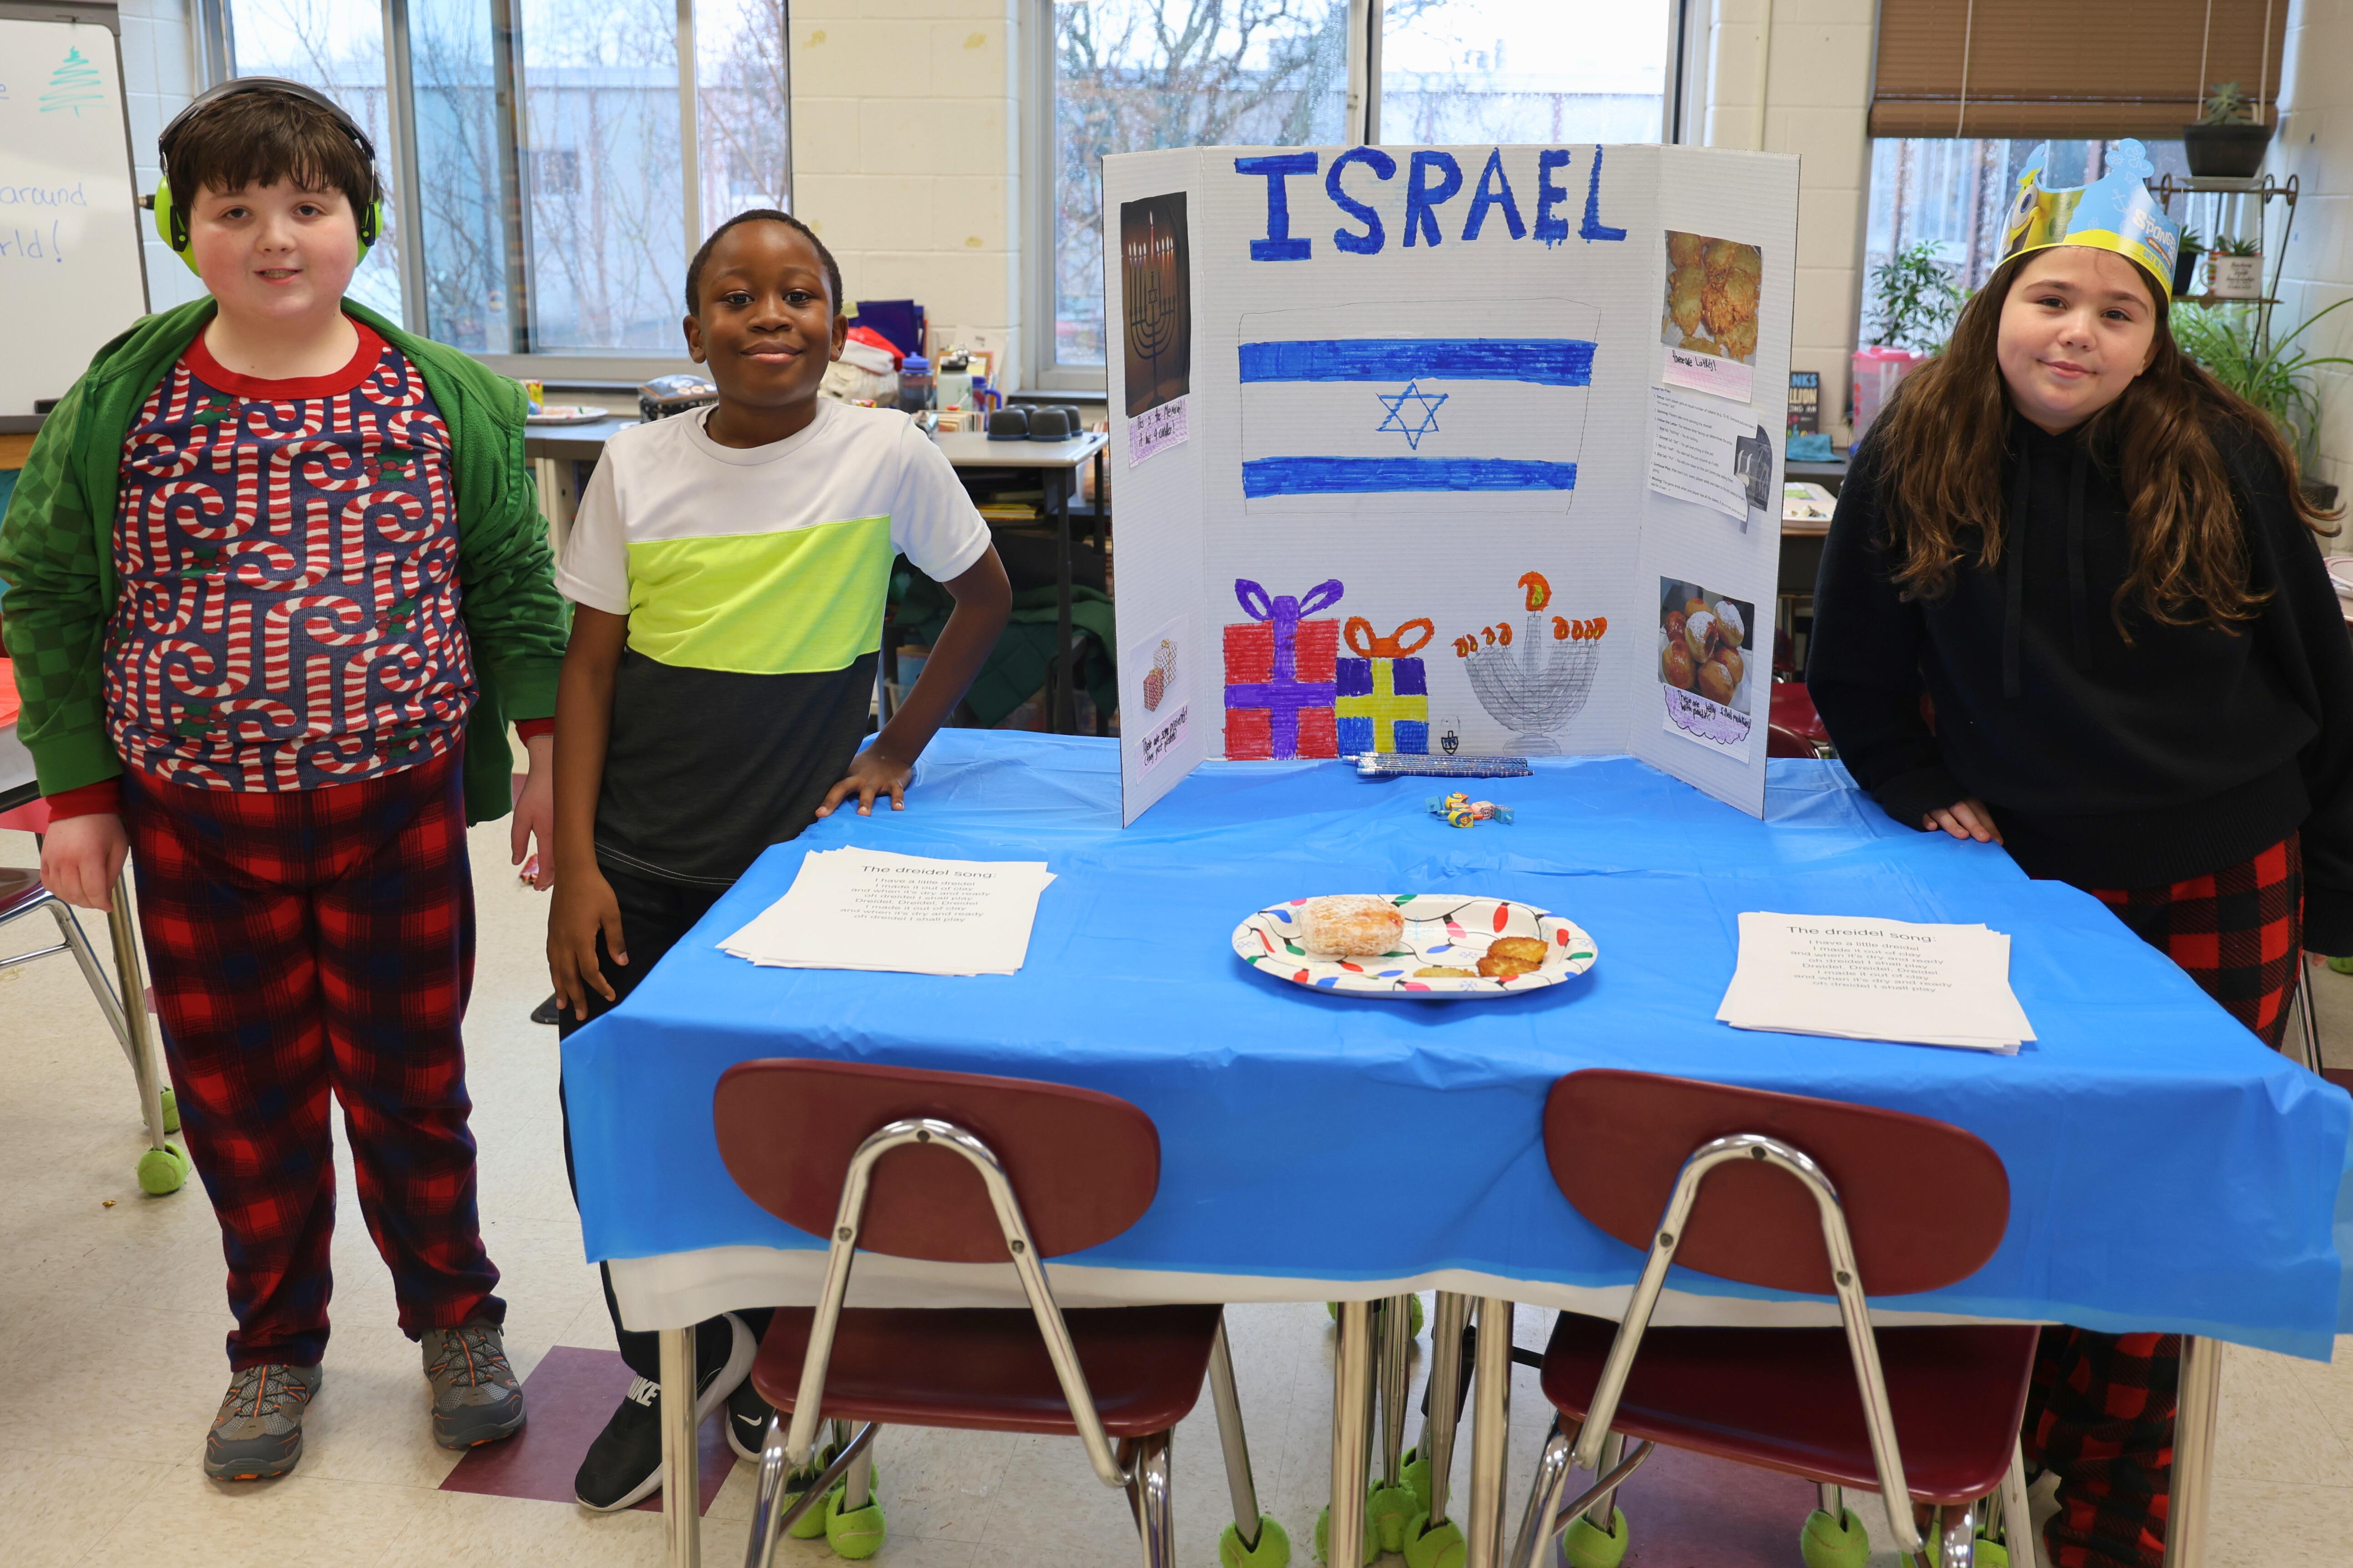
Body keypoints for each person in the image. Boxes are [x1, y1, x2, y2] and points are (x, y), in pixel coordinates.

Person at [0, 80, 567, 1478]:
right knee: (243, 1096)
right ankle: (273, 1348)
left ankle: (456, 1322)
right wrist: (77, 790)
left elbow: (513, 586)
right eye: (235, 209)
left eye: (307, 206)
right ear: (181, 226)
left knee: (411, 1084)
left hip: (395, 809)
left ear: (356, 223)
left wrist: (547, 753)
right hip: (194, 821)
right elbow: (52, 585)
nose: (275, 238)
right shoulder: (126, 399)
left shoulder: (447, 398)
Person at [1808, 141, 2353, 1568]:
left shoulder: (2222, 452)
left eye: (2121, 313)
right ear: (2003, 298)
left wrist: (2338, 891)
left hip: (2216, 877)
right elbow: (1853, 667)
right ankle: (1998, 1454)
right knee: (2006, 1181)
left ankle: (2117, 1513)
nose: (2080, 333)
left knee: (2156, 1210)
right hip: (2012, 879)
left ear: (2155, 337)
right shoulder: (1918, 440)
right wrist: (1918, 781)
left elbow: (2326, 683)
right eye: (2055, 296)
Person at [546, 208, 1011, 1513]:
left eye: (800, 294)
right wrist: (577, 867)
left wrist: (897, 749)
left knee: (791, 1115)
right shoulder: (634, 466)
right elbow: (587, 671)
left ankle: (778, 1359)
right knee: (616, 1110)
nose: (770, 316)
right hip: (638, 855)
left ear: (836, 325)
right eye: (738, 297)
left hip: (796, 870)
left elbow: (985, 600)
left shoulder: (887, 453)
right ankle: (661, 1363)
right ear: (692, 332)